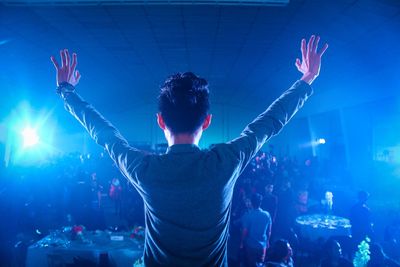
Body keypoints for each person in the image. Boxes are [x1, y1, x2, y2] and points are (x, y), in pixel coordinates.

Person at [50, 35, 328, 266]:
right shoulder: (224, 163)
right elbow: (269, 123)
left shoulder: (146, 170)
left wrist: (67, 91)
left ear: (160, 121)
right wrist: (307, 79)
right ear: (207, 120)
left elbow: (104, 134)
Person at [240, 193, 272, 267]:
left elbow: (245, 231)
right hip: (262, 246)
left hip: (251, 245)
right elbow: (269, 231)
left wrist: (241, 242)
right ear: (260, 202)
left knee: (250, 264)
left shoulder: (248, 215)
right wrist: (267, 242)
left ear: (251, 202)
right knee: (261, 264)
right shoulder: (267, 214)